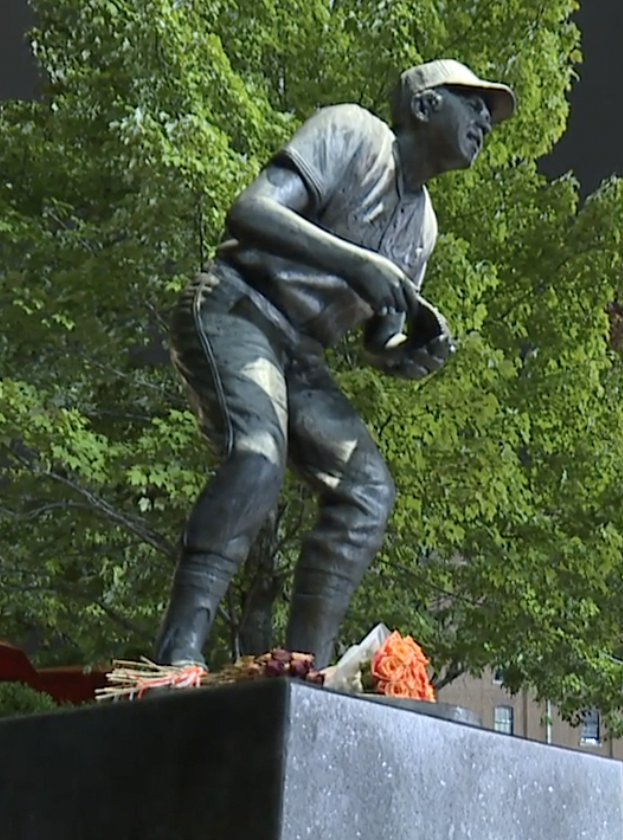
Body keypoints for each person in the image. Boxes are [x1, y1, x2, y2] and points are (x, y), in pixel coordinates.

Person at [153, 60, 516, 668]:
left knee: (368, 491)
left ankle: (302, 671)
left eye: (489, 111)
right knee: (257, 456)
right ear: (425, 106)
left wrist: (409, 355)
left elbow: (380, 338)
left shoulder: (422, 227)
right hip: (239, 304)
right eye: (472, 102)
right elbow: (250, 212)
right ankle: (176, 655)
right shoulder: (351, 133)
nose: (484, 118)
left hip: (303, 355)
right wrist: (356, 263)